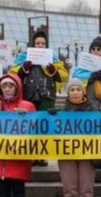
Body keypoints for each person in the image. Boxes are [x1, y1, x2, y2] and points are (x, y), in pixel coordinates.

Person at [12, 31, 67, 167]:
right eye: (37, 43)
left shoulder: (53, 59)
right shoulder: (23, 58)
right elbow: (14, 75)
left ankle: (42, 155)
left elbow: (63, 77)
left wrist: (53, 70)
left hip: (46, 96)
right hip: (28, 96)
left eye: (43, 43)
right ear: (33, 44)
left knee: (44, 126)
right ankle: (30, 155)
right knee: (29, 126)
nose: (40, 45)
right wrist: (24, 68)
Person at [53, 78, 97, 197]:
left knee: (86, 188)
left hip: (87, 153)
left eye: (78, 89)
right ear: (68, 93)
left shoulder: (93, 109)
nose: (75, 92)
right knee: (70, 188)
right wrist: (50, 116)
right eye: (72, 90)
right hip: (67, 154)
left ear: (83, 91)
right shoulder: (60, 111)